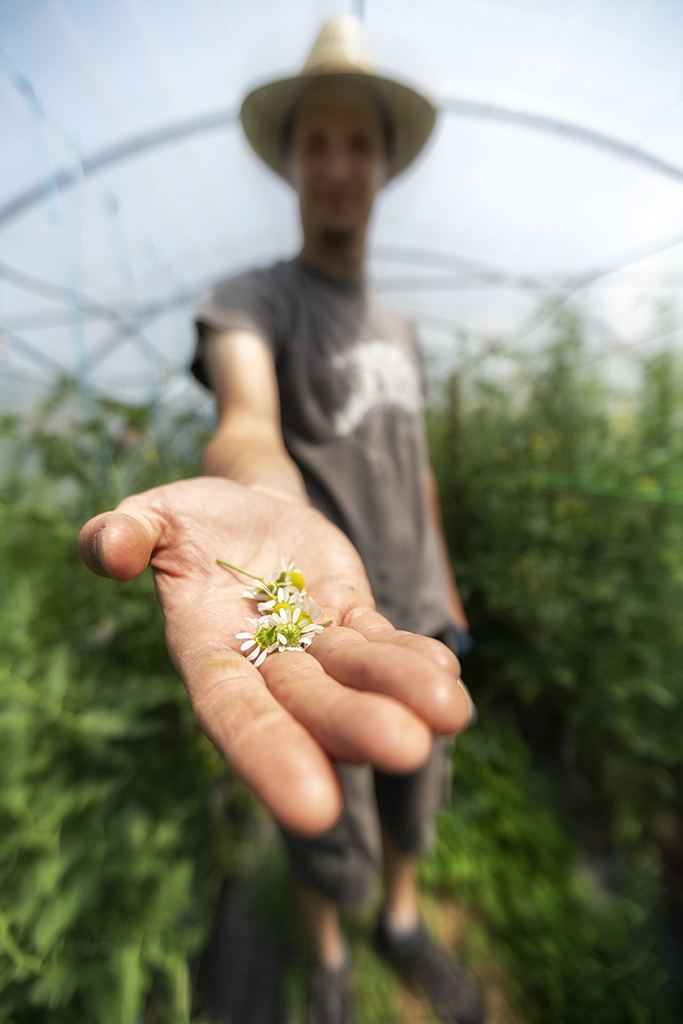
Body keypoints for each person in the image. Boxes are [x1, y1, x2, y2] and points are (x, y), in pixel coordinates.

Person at [79, 16, 484, 1024]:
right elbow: (247, 421)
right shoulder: (249, 304)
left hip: (415, 619)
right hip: (325, 622)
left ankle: (397, 920)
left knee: (408, 785)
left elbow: (414, 461)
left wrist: (447, 585)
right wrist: (264, 496)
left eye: (359, 143)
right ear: (292, 161)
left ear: (383, 165)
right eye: (318, 143)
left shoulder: (397, 329)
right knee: (318, 814)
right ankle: (331, 960)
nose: (338, 164)